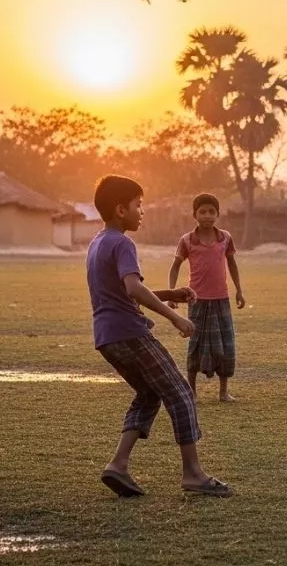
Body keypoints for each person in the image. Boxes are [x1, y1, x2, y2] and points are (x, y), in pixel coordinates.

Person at [87, 175, 231, 498]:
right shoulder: (124, 243)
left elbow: (121, 291)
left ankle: (118, 465)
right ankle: (193, 473)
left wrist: (171, 292)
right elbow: (133, 288)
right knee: (180, 392)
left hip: (107, 337)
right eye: (138, 205)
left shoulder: (98, 242)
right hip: (130, 333)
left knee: (149, 394)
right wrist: (176, 316)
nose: (142, 212)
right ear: (120, 208)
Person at [167, 193, 246, 402]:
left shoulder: (225, 238)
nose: (207, 216)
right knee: (196, 343)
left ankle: (223, 392)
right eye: (202, 211)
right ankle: (192, 391)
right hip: (196, 300)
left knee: (225, 344)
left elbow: (232, 264)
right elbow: (175, 266)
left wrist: (239, 290)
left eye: (212, 211)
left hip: (221, 299)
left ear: (218, 214)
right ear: (195, 214)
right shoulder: (187, 240)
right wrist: (171, 293)